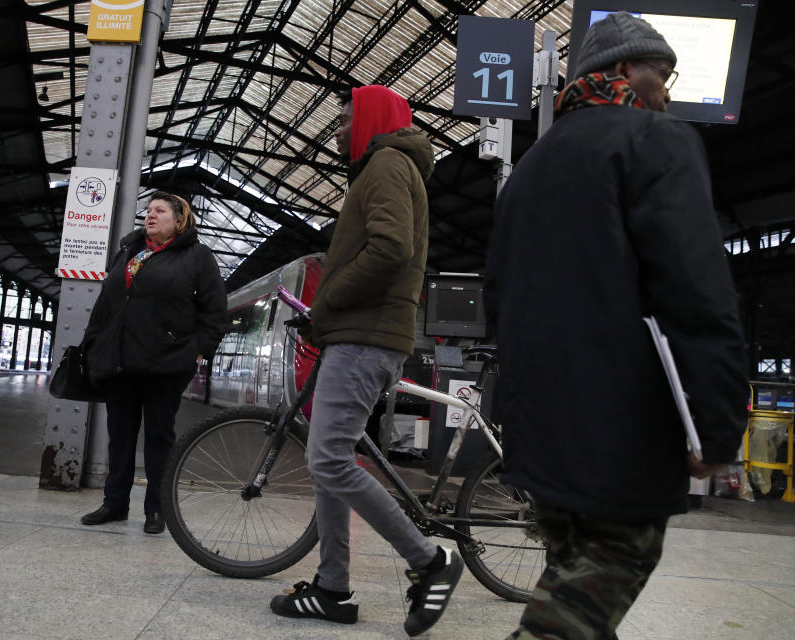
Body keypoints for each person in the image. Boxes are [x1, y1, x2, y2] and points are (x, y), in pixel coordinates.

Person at [484, 12, 748, 640]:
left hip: (539, 424)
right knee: (604, 572)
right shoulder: (657, 141)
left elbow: (499, 295)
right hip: (620, 426)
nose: (667, 91)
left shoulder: (532, 166)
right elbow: (696, 292)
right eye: (663, 75)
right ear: (626, 70)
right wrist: (717, 426)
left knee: (573, 568)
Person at [268, 85, 462, 637]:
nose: (335, 127)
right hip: (357, 333)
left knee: (329, 458)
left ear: (371, 116)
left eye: (344, 116)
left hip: (366, 337)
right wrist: (324, 317)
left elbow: (390, 247)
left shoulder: (385, 163)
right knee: (327, 461)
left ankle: (430, 561)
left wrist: (325, 301)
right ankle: (332, 589)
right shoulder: (388, 167)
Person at [79, 191, 226, 534]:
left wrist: (200, 349)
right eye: (148, 210)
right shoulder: (130, 251)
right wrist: (93, 342)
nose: (150, 215)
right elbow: (106, 304)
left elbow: (215, 309)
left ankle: (156, 510)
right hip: (119, 361)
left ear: (179, 220)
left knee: (160, 437)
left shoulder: (197, 256)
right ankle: (114, 504)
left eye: (160, 211)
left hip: (166, 362)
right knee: (120, 436)